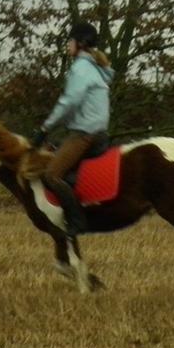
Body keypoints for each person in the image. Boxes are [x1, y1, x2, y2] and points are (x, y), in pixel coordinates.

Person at [31, 22, 115, 241]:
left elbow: (69, 102)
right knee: (56, 152)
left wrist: (45, 128)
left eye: (70, 40)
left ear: (80, 43)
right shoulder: (96, 68)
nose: (67, 45)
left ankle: (77, 221)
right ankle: (83, 197)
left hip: (84, 135)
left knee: (51, 175)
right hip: (96, 132)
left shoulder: (81, 68)